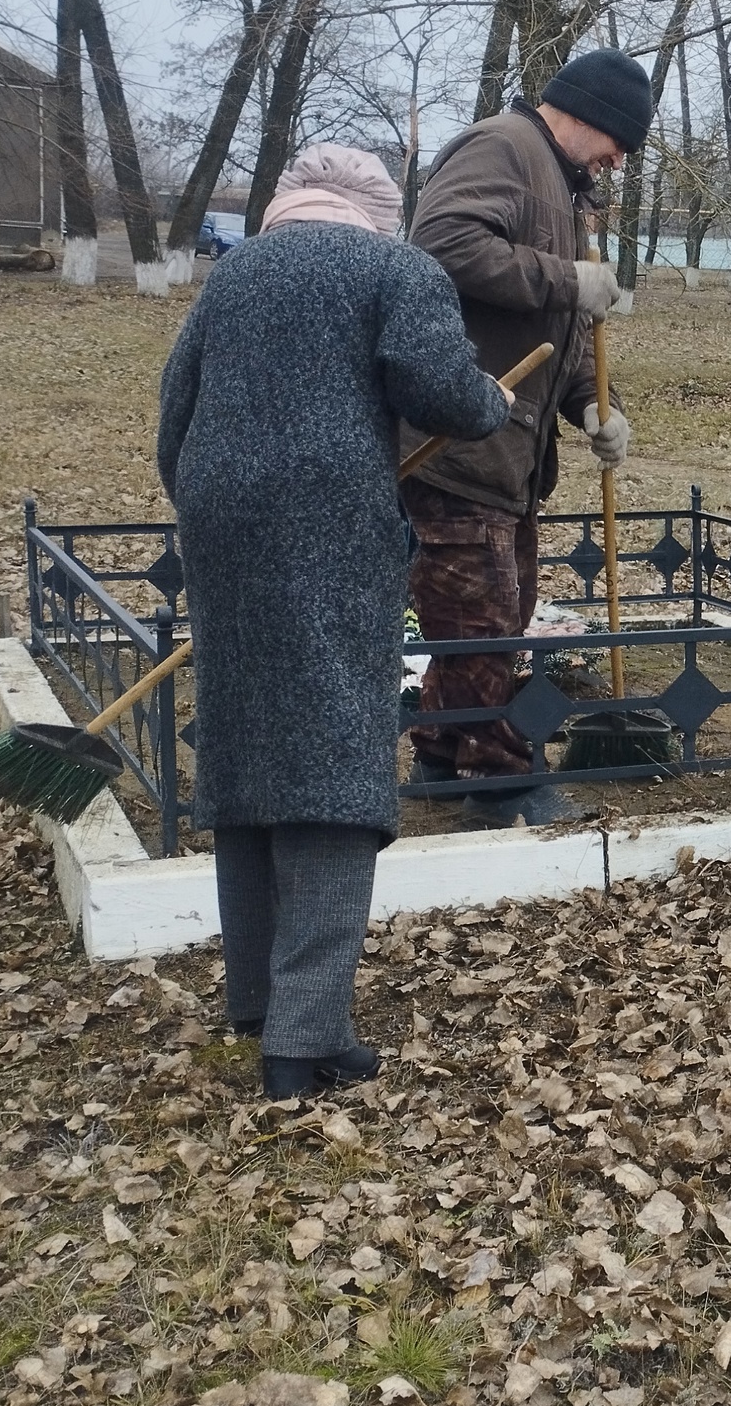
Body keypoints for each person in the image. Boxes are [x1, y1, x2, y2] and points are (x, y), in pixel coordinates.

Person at [157, 145, 512, 1099]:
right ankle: (303, 1044)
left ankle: (261, 1003)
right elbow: (439, 387)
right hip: (329, 528)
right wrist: (496, 401)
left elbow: (174, 412)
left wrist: (216, 514)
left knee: (250, 756)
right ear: (379, 212)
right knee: (332, 768)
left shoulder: (233, 275)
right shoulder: (396, 268)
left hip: (221, 522)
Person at [400, 49, 650, 828]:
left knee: (494, 618)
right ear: (588, 114)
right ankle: (503, 781)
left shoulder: (567, 189)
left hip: (510, 452)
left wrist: (592, 408)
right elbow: (439, 241)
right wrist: (563, 275)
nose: (619, 160)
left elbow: (563, 338)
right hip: (458, 439)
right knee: (482, 622)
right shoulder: (503, 146)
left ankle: (443, 755)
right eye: (618, 142)